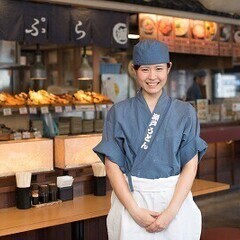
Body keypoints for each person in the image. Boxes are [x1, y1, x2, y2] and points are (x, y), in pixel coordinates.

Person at [93, 39, 207, 240]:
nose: (152, 76)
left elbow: (190, 165)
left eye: (159, 69)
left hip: (174, 201)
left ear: (168, 68)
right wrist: (136, 212)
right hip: (132, 200)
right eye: (145, 69)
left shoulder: (185, 112)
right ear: (135, 70)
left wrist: (170, 213)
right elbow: (112, 167)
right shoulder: (118, 112)